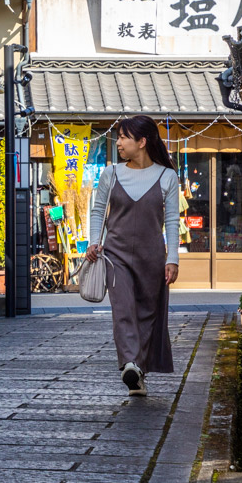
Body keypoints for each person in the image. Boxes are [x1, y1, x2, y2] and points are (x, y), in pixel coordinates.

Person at [84, 115, 180, 396]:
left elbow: (172, 220)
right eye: (119, 136)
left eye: (125, 137)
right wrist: (94, 242)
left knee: (148, 314)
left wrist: (171, 258)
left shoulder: (167, 176)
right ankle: (130, 363)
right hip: (116, 255)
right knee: (124, 309)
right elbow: (98, 210)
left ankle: (138, 372)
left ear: (142, 142)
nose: (119, 142)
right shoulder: (110, 173)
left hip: (153, 257)